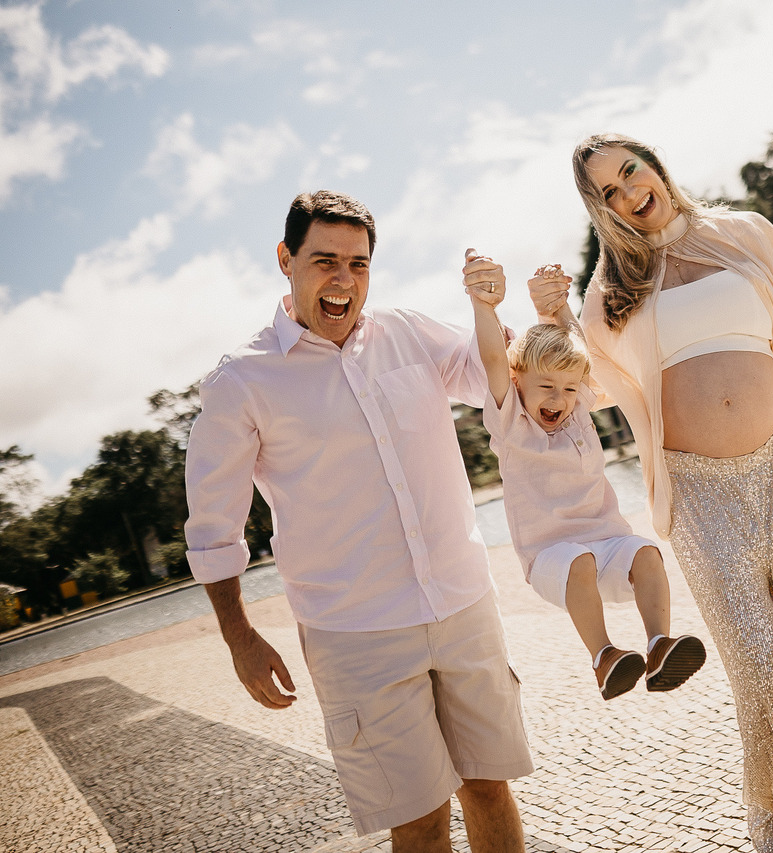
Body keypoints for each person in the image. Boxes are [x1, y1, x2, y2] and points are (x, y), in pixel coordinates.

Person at [529, 135, 773, 852]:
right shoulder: (612, 290)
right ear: (600, 210)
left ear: (655, 165)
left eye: (631, 171)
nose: (629, 193)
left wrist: (769, 424)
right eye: (608, 192)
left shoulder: (747, 234)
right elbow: (600, 387)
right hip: (699, 496)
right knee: (763, 676)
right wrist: (556, 321)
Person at [184, 191, 532, 853]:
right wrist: (239, 637)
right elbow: (212, 526)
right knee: (419, 820)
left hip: (463, 603)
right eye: (325, 261)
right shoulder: (241, 381)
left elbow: (493, 375)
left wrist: (493, 310)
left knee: (490, 787)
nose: (344, 279)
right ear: (285, 259)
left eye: (359, 263)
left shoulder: (409, 333)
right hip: (356, 634)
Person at [463, 253, 706, 701]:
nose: (560, 399)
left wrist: (558, 308)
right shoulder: (511, 421)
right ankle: (604, 657)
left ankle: (659, 646)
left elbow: (581, 357)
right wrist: (483, 304)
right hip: (551, 560)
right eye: (546, 387)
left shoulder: (576, 411)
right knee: (578, 560)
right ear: (517, 382)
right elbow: (494, 357)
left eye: (569, 389)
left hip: (606, 547)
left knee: (646, 551)